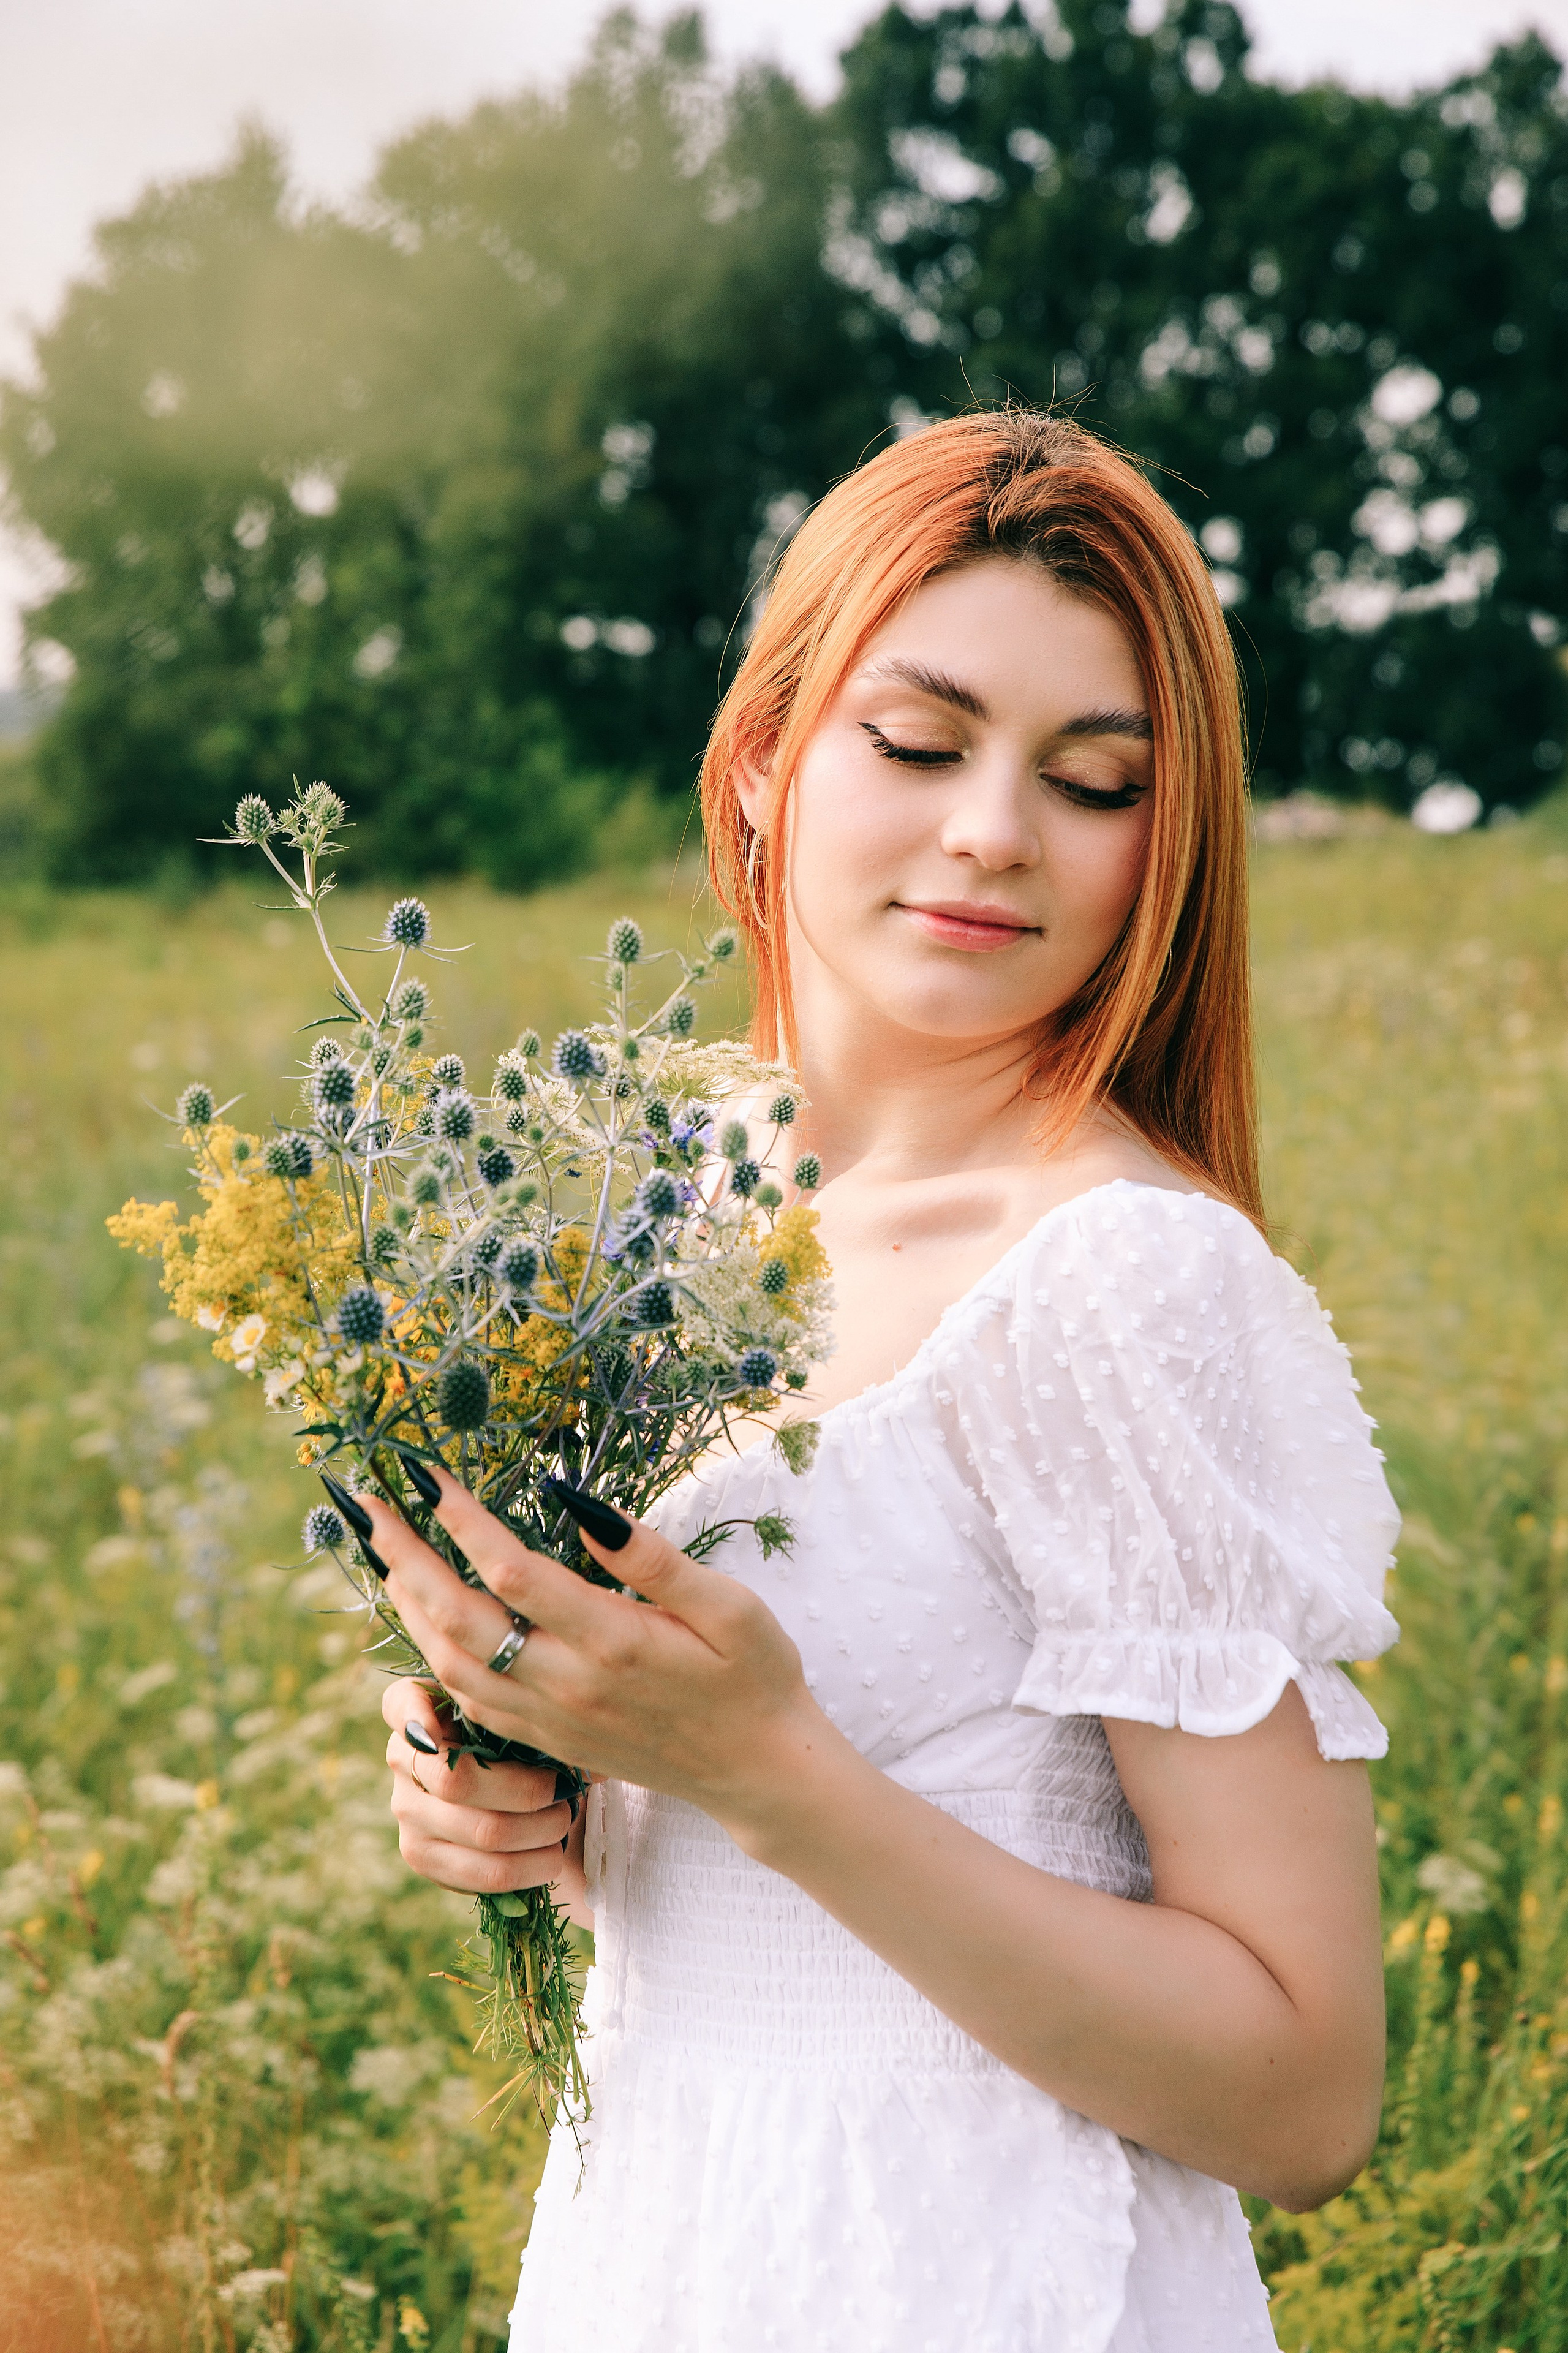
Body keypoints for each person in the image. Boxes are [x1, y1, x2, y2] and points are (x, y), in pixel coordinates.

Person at [363, 408, 1400, 2352]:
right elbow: (779, 1926)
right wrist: (541, 1791)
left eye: (1093, 782)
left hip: (990, 2286)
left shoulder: (1119, 1280)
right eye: (918, 744)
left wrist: (771, 1771)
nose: (994, 827)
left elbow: (1303, 2092)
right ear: (763, 760)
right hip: (671, 2250)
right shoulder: (656, 1204)